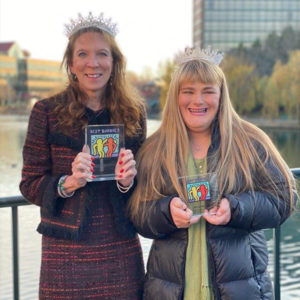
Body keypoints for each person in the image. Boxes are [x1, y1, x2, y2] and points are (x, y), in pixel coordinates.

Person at [128, 47, 298, 300]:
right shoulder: (154, 149)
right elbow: (137, 213)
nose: (198, 100)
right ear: (175, 97)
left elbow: (284, 199)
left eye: (208, 91)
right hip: (171, 291)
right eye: (188, 92)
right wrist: (166, 212)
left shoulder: (250, 142)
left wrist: (236, 208)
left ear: (221, 95)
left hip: (241, 291)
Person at [20, 12, 146, 299]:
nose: (93, 63)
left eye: (102, 54)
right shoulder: (46, 112)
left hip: (119, 247)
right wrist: (68, 182)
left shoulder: (133, 113)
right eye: (83, 54)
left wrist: (128, 181)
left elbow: (143, 186)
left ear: (114, 63)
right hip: (65, 253)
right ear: (72, 63)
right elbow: (29, 184)